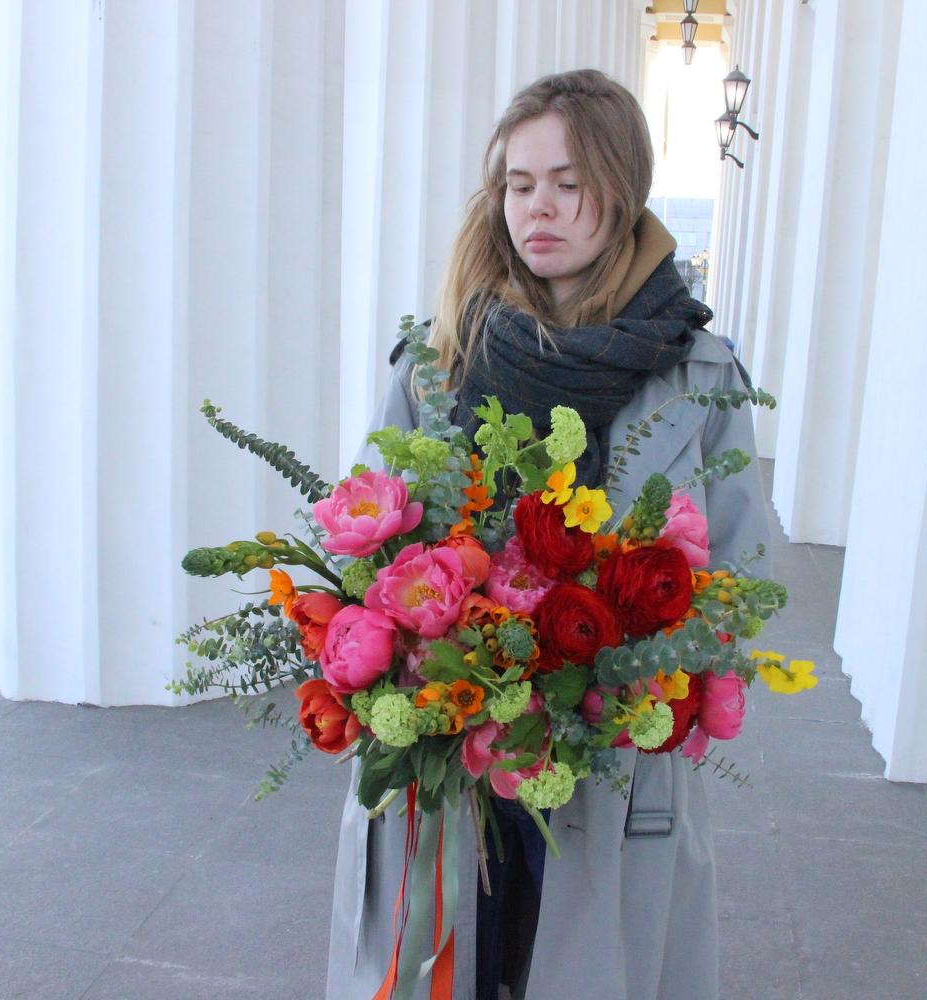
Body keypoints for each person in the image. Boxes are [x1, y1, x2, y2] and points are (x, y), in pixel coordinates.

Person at [326, 69, 769, 1000]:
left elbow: (741, 569)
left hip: (610, 760)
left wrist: (630, 673)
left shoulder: (699, 374)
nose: (541, 207)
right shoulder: (439, 360)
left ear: (623, 190)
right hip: (454, 748)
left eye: (569, 183)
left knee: (587, 964)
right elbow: (364, 547)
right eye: (520, 184)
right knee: (456, 961)